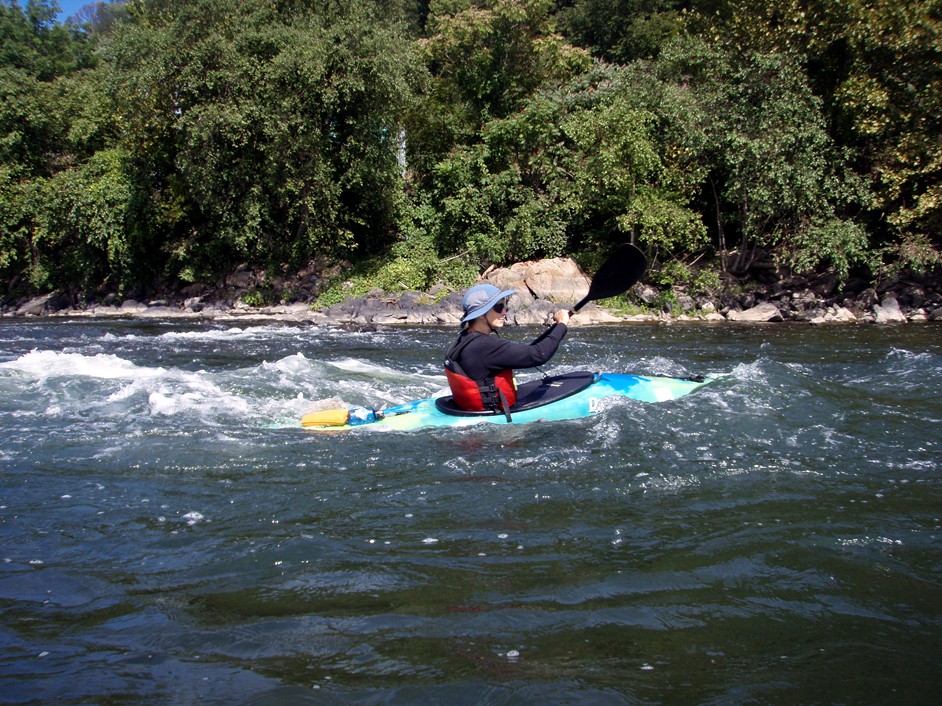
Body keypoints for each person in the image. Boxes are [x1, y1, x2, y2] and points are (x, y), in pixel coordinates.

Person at [444, 283, 570, 413]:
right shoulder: (485, 346)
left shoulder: (463, 338)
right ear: (480, 314)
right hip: (489, 420)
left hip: (466, 408)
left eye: (505, 306)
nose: (504, 312)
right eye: (498, 307)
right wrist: (562, 325)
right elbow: (539, 354)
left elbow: (527, 352)